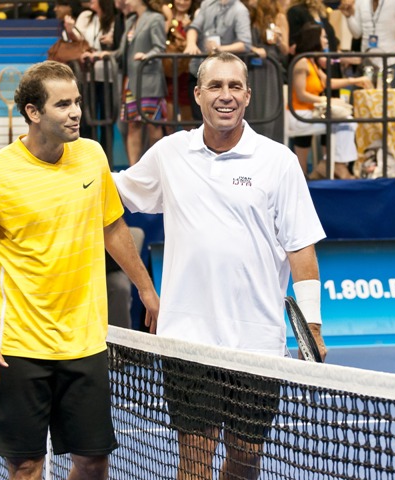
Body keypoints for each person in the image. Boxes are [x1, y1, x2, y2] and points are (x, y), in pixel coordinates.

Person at [113, 52, 327, 480]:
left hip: (257, 342)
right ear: (197, 94)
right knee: (194, 460)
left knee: (246, 458)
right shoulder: (170, 153)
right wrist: (145, 288)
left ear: (247, 96)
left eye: (234, 86)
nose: (225, 95)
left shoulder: (278, 161)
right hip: (187, 340)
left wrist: (313, 326)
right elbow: (107, 192)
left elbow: (301, 248)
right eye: (215, 86)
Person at [0, 61, 159, 480]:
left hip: (85, 342)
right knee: (27, 466)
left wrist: (147, 290)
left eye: (77, 101)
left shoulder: (92, 156)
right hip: (17, 347)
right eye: (63, 104)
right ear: (33, 112)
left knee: (93, 463)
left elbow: (112, 226)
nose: (76, 112)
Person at [288, 22, 372, 178]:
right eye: (323, 37)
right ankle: (336, 165)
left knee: (346, 121)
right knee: (346, 122)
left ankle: (331, 163)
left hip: (311, 112)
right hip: (299, 115)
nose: (327, 40)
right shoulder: (301, 62)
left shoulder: (312, 62)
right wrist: (326, 101)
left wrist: (354, 80)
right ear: (314, 39)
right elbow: (301, 95)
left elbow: (328, 82)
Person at [110, 0, 167, 166]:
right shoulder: (131, 20)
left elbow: (160, 47)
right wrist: (103, 54)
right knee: (133, 126)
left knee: (153, 127)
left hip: (149, 80)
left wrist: (146, 56)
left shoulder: (155, 18)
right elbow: (122, 52)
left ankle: (156, 167)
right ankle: (134, 169)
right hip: (131, 82)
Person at [67, 0, 123, 153]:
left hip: (109, 77)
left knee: (107, 121)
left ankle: (105, 159)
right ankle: (85, 157)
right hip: (86, 76)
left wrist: (112, 42)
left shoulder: (116, 19)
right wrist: (70, 31)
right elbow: (77, 43)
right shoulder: (85, 16)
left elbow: (121, 46)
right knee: (85, 121)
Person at [183, 0, 252, 120]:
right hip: (198, 70)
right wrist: (191, 43)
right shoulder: (207, 4)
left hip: (226, 72)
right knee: (198, 117)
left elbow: (245, 44)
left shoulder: (240, 10)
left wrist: (220, 49)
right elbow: (194, 27)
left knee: (224, 116)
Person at [338, 0, 395, 84]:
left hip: (389, 63)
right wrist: (349, 17)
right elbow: (357, 34)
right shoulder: (360, 2)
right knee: (362, 92)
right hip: (366, 63)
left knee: (387, 92)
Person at [245, 0, 289, 143]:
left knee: (270, 109)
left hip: (270, 68)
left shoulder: (279, 17)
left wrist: (279, 39)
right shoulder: (248, 14)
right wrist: (253, 49)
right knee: (251, 109)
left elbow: (285, 50)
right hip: (251, 67)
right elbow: (241, 41)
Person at [163, 0, 201, 127]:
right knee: (168, 120)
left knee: (188, 120)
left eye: (186, 0)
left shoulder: (196, 18)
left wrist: (189, 28)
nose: (182, 2)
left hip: (187, 73)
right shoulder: (166, 16)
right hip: (169, 73)